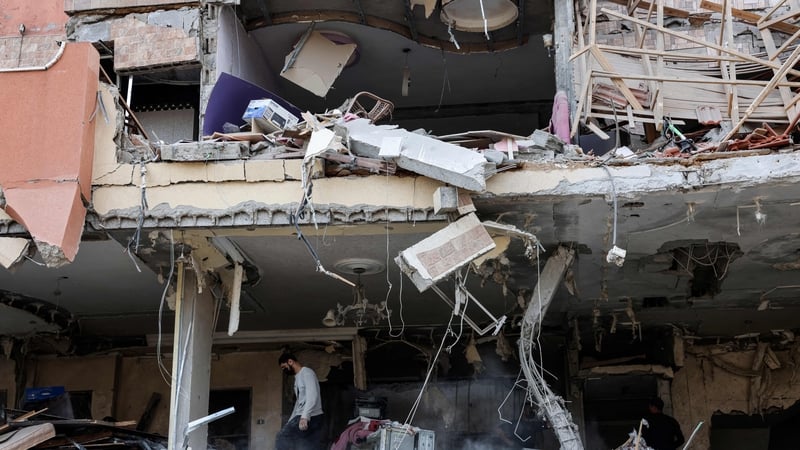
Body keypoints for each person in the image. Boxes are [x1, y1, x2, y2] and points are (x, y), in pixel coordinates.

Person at [275, 353, 325, 450]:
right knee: (306, 445)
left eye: (284, 367)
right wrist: (290, 421)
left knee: (282, 437)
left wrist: (305, 416)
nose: (284, 370)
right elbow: (298, 403)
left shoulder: (306, 372)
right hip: (303, 415)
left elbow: (312, 395)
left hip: (312, 416)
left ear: (290, 361)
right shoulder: (297, 378)